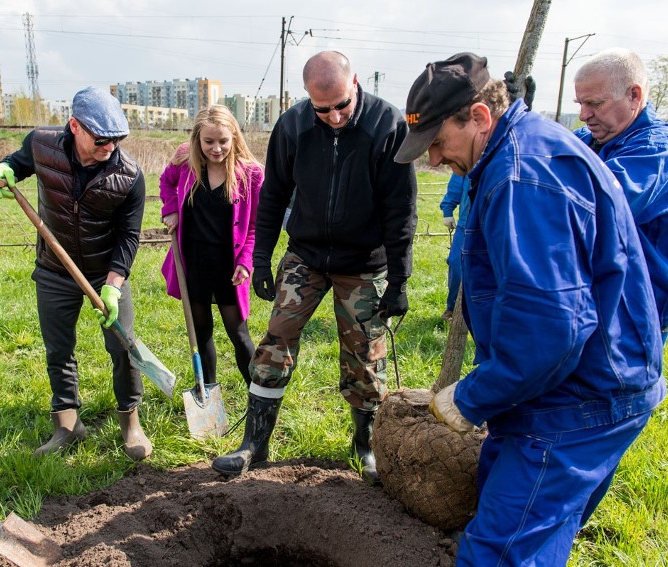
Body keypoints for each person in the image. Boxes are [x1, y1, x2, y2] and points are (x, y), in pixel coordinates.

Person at [393, 53, 665, 565]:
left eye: (436, 143)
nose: (433, 161)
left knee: (500, 550)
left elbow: (552, 330)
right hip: (563, 385)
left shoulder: (522, 178)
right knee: (527, 522)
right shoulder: (513, 151)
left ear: (478, 117)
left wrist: (471, 397)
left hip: (578, 398)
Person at [211, 51, 418, 485]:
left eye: (342, 104)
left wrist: (399, 279)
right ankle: (255, 443)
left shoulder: (386, 125)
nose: (335, 117)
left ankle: (367, 448)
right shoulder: (293, 126)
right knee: (275, 341)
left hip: (364, 262)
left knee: (364, 356)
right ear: (308, 98)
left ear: (355, 82)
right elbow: (273, 197)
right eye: (322, 109)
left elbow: (401, 210)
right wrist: (262, 257)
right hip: (306, 256)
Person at [0, 86, 151, 460]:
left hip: (103, 274)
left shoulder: (128, 175)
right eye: (101, 140)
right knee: (58, 349)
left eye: (116, 140)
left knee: (123, 348)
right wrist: (6, 169)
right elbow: (17, 162)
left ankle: (131, 422)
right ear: (74, 126)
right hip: (54, 270)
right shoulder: (42, 144)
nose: (109, 148)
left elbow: (129, 236)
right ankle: (67, 424)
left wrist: (113, 286)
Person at [574, 48, 668, 343]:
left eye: (594, 103)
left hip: (635, 311)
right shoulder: (592, 139)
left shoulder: (659, 150)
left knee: (613, 389)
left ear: (634, 95)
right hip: (602, 300)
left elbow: (594, 204)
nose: (584, 115)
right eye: (580, 103)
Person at [159, 105, 263, 388]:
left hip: (229, 267)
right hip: (193, 262)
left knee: (238, 333)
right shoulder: (185, 161)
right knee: (200, 330)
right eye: (209, 142)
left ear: (234, 137)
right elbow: (166, 182)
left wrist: (245, 261)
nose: (216, 149)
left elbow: (255, 227)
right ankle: (207, 389)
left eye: (223, 141)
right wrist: (171, 209)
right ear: (197, 139)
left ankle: (260, 394)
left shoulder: (251, 175)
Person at [438, 173, 471, 321]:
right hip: (466, 224)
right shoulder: (470, 156)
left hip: (493, 226)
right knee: (456, 263)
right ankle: (452, 308)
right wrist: (448, 210)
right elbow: (457, 182)